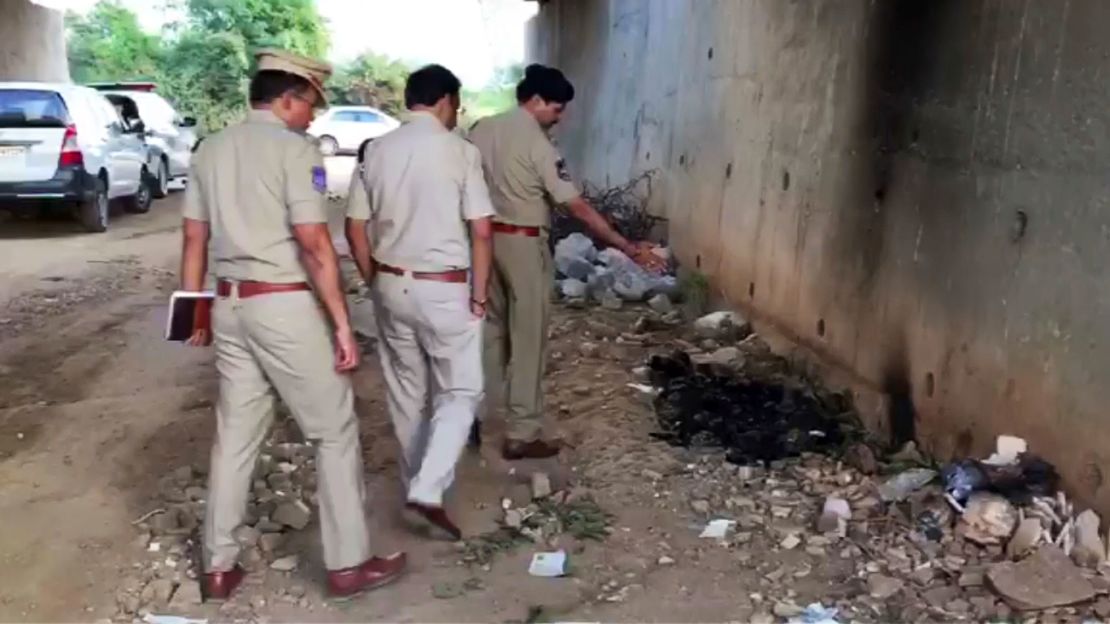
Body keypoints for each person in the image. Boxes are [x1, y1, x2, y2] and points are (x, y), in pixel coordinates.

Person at [179, 48, 406, 602]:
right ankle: (348, 564)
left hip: (230, 305)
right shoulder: (295, 150)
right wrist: (343, 325)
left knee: (235, 436)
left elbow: (193, 238)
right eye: (309, 104)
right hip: (282, 306)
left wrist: (193, 313)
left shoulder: (211, 148)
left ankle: (218, 566)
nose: (312, 117)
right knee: (333, 430)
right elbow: (313, 243)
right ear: (286, 99)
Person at [469, 64, 666, 460]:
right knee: (529, 338)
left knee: (488, 335)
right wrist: (625, 246)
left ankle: (470, 416)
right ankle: (522, 433)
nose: (560, 118)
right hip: (523, 245)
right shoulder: (538, 145)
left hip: (483, 243)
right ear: (537, 101)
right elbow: (575, 205)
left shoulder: (480, 130)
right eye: (557, 110)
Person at [345, 64, 493, 541]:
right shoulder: (460, 153)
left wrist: (374, 279)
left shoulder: (375, 151)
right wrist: (480, 292)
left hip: (391, 284)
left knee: (407, 392)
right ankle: (428, 490)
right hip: (445, 288)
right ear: (446, 100)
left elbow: (354, 228)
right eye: (458, 104)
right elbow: (482, 229)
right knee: (461, 390)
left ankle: (417, 487)